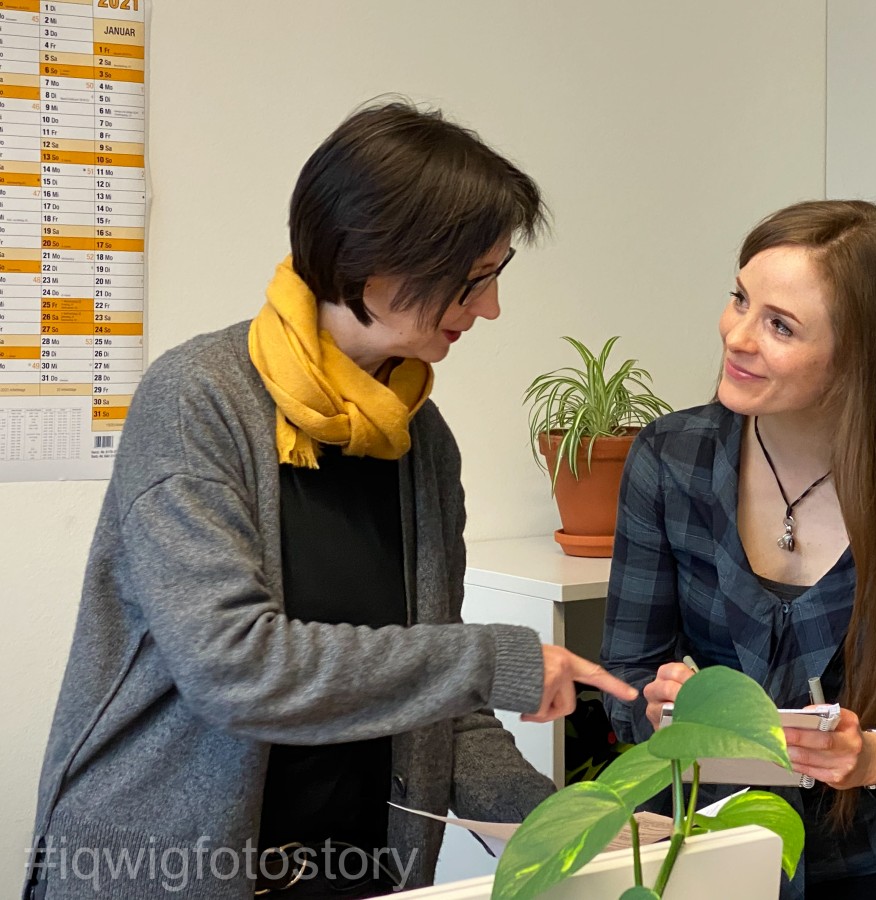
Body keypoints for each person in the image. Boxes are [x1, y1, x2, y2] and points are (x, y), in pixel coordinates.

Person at [26, 99, 635, 900]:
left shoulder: (421, 440)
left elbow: (440, 701)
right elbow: (236, 667)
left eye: (494, 277)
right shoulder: (199, 399)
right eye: (471, 280)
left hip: (357, 872)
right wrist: (494, 660)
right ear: (373, 267)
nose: (489, 308)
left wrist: (577, 830)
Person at [601, 200, 876, 900]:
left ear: (863, 355)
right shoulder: (670, 460)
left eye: (779, 325)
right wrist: (658, 704)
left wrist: (874, 757)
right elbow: (626, 677)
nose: (736, 335)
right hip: (703, 854)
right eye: (739, 299)